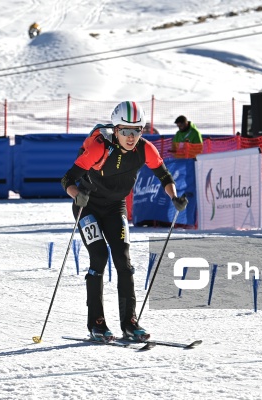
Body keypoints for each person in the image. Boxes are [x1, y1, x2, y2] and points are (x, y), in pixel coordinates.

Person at [61, 101, 188, 342]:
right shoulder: (100, 148)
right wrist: (77, 195)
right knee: (99, 256)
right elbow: (67, 179)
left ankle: (130, 322)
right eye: (125, 131)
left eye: (136, 131)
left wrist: (174, 197)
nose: (131, 137)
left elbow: (164, 175)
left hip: (115, 207)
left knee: (123, 260)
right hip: (87, 207)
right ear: (116, 130)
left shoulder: (145, 149)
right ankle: (96, 323)